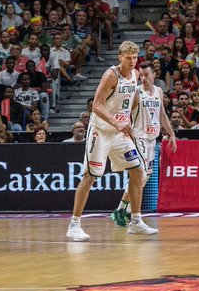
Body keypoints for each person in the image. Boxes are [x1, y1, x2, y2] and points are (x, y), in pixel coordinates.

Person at [67, 41, 154, 241]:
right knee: (90, 176)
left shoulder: (135, 75)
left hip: (119, 132)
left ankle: (136, 221)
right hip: (101, 131)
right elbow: (96, 106)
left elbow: (132, 99)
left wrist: (129, 120)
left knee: (138, 171)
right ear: (119, 58)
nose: (132, 61)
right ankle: (74, 224)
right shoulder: (110, 75)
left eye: (135, 57)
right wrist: (116, 122)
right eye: (128, 58)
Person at [111, 65, 177, 227]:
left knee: (145, 176)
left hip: (152, 139)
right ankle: (123, 211)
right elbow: (126, 112)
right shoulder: (136, 92)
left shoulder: (159, 92)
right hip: (138, 137)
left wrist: (172, 134)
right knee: (139, 175)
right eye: (141, 75)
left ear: (154, 74)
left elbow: (162, 115)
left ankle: (123, 210)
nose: (143, 78)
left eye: (146, 74)